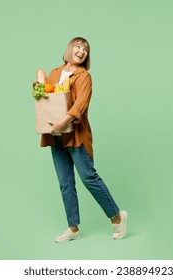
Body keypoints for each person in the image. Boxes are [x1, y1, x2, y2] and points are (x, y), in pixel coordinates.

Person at [35, 37, 127, 242]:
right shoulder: (55, 73)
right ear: (69, 49)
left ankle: (117, 217)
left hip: (75, 135)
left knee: (88, 177)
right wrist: (38, 90)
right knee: (65, 182)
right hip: (55, 135)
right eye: (78, 46)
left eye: (85, 49)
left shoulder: (84, 76)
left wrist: (63, 122)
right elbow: (46, 100)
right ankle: (73, 228)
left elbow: (81, 105)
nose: (82, 51)